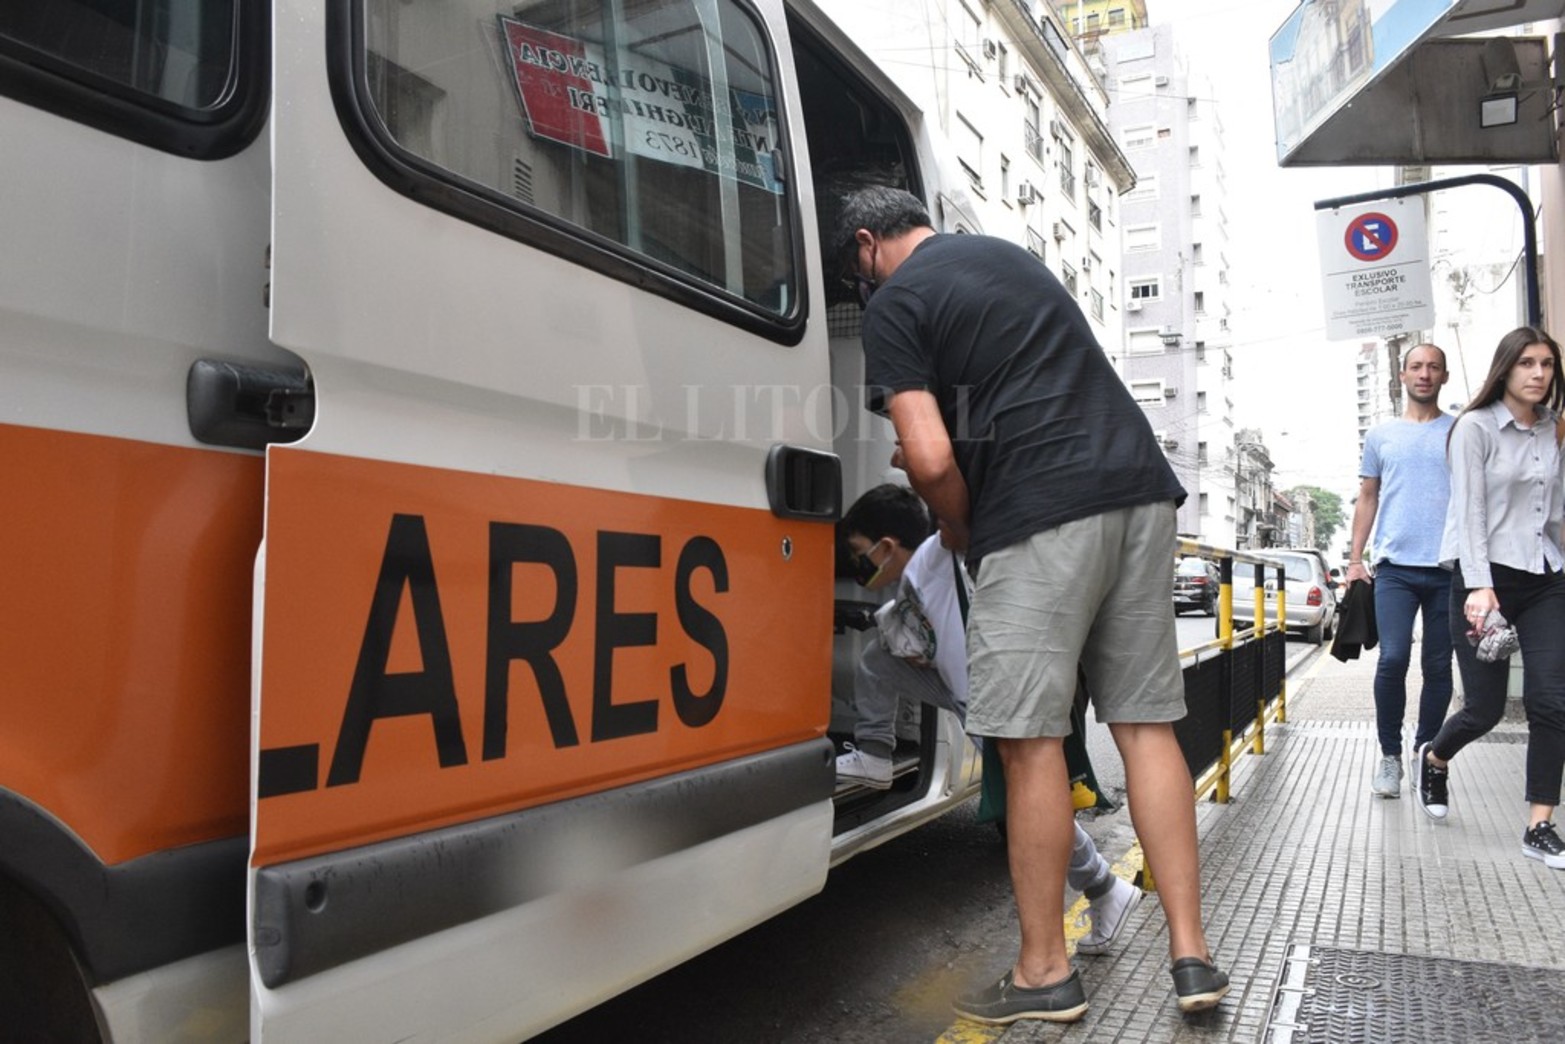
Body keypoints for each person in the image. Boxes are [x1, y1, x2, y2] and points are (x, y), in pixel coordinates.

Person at [832, 186, 1226, 1024]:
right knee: (1144, 726)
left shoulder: (895, 301)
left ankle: (1043, 971)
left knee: (1026, 741)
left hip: (1040, 508)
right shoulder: (1005, 256)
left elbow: (929, 459)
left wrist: (959, 526)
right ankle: (1190, 955)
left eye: (855, 270)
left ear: (866, 245)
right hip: (1139, 492)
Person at [837, 484, 1143, 953]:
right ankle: (875, 754)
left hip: (991, 703)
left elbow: (958, 495)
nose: (856, 564)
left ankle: (1103, 886)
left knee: (1029, 808)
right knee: (878, 659)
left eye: (859, 553)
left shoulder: (936, 554)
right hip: (959, 689)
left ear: (886, 547)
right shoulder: (911, 579)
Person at [1415, 327, 1565, 872]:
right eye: (1527, 363)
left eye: (1547, 364)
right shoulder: (1474, 428)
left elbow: (1555, 513)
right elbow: (1470, 511)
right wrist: (1479, 584)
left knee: (1552, 702)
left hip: (1544, 576)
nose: (1538, 374)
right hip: (1484, 579)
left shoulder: (1553, 428)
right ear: (1505, 369)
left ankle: (1539, 824)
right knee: (1485, 709)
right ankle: (1435, 758)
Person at [1345, 344, 1455, 798]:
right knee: (1392, 658)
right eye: (1416, 367)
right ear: (1403, 377)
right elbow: (1368, 496)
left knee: (1438, 665)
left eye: (1433, 367)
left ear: (1444, 376)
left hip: (1449, 568)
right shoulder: (1381, 435)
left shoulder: (1460, 431)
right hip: (1394, 569)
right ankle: (1390, 756)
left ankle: (1425, 751)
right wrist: (1355, 559)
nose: (1424, 374)